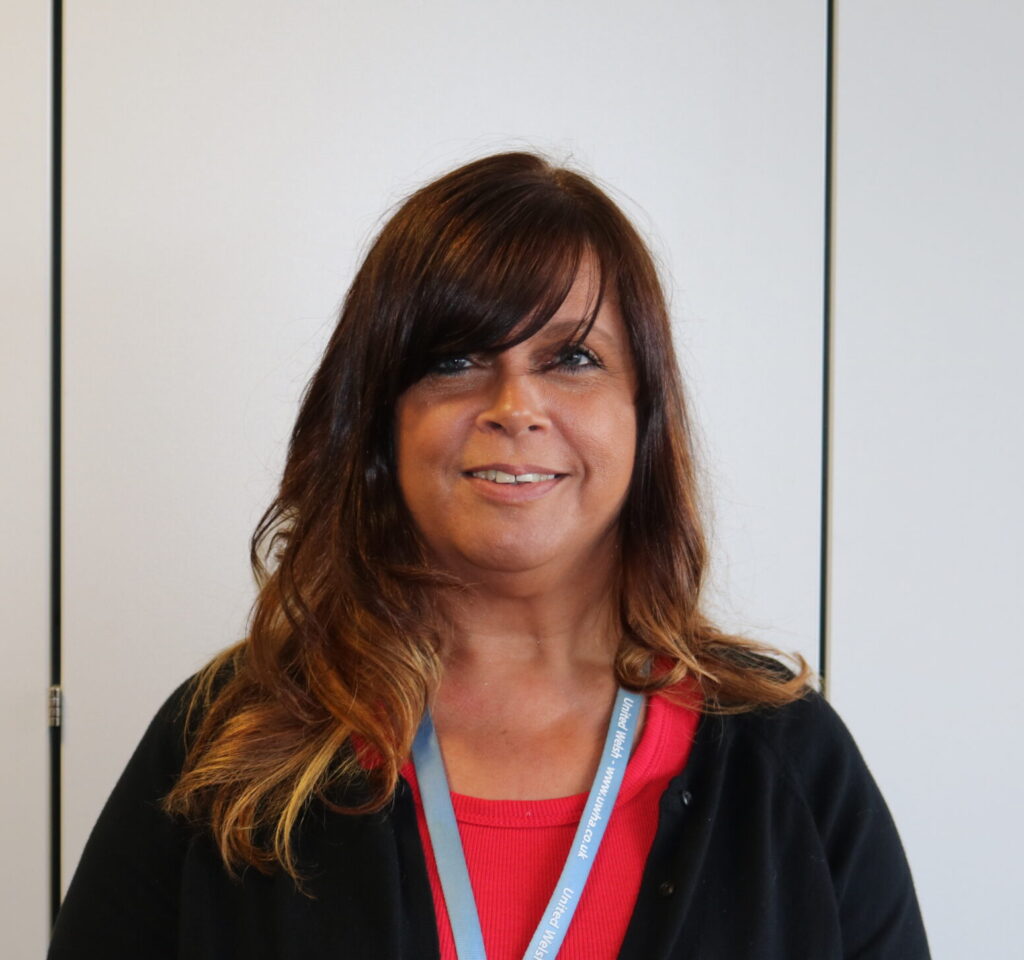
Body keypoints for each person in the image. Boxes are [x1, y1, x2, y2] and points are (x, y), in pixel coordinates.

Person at [49, 151, 931, 959]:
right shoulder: (229, 742)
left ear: (645, 417)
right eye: (456, 358)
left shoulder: (787, 763)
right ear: (381, 422)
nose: (516, 405)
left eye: (574, 357)